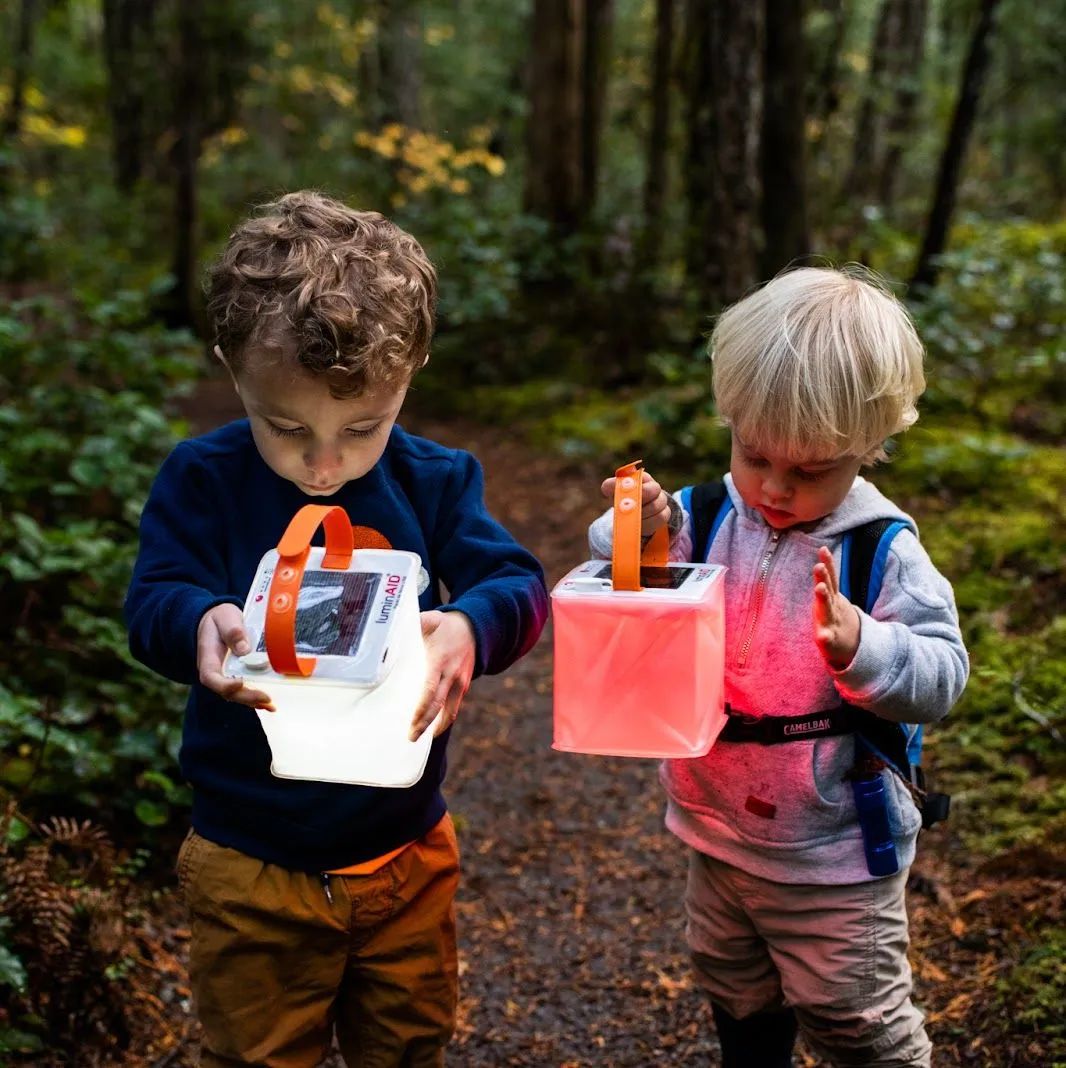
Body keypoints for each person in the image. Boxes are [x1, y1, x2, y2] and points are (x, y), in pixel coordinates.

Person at [126, 190, 548, 1067]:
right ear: (231, 364)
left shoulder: (433, 482)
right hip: (248, 858)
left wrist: (471, 626)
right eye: (287, 428)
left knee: (408, 1045)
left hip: (404, 853)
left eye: (362, 427)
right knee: (258, 1053)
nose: (325, 463)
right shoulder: (203, 482)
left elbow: (517, 584)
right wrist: (200, 619)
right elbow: (155, 596)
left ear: (412, 371)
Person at [588, 266, 968, 1067]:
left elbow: (943, 673)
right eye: (756, 455)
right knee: (733, 983)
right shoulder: (709, 514)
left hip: (833, 849)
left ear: (868, 449)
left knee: (854, 1015)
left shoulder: (882, 552)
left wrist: (865, 645)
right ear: (732, 415)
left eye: (812, 469)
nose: (774, 487)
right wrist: (641, 533)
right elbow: (639, 582)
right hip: (715, 828)